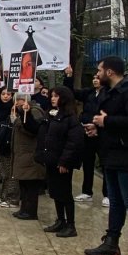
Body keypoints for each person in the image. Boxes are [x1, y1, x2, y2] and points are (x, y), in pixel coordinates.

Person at [84, 55, 128, 255]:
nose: (97, 74)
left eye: (100, 70)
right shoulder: (110, 93)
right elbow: (113, 123)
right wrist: (98, 127)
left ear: (110, 72)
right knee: (116, 202)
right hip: (111, 155)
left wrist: (106, 121)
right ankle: (111, 243)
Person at [35, 87, 85, 237]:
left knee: (65, 193)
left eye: (56, 96)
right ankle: (60, 220)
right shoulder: (50, 115)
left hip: (62, 162)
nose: (52, 98)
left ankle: (71, 225)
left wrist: (64, 162)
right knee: (55, 192)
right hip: (51, 160)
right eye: (52, 96)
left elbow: (73, 142)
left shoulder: (70, 118)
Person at [63, 66, 107, 204]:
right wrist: (69, 76)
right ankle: (87, 191)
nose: (95, 80)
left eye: (98, 78)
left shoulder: (109, 93)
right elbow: (70, 93)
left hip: (102, 133)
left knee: (105, 163)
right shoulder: (89, 93)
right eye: (94, 78)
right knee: (87, 163)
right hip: (86, 132)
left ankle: (108, 194)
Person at [10, 95, 45, 220]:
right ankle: (24, 209)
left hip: (30, 153)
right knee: (24, 184)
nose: (17, 103)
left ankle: (30, 211)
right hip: (22, 154)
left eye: (19, 100)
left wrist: (19, 118)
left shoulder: (34, 111)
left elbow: (32, 130)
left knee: (31, 185)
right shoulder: (21, 112)